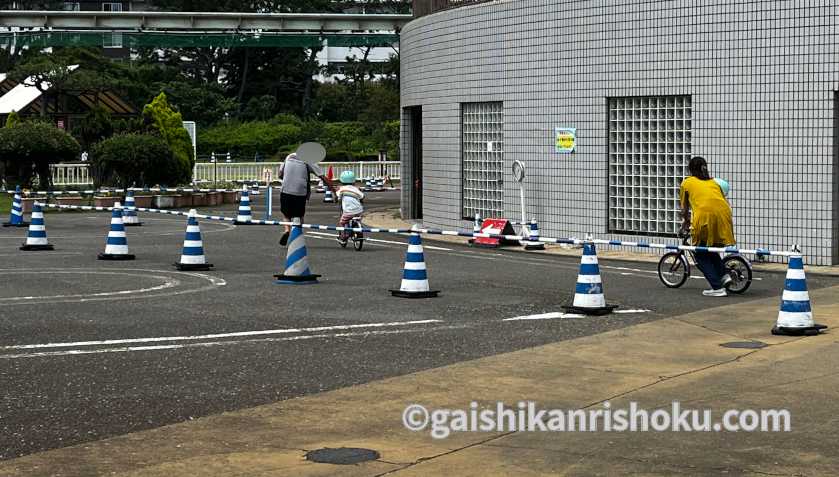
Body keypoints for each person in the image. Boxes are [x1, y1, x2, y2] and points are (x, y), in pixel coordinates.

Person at [679, 156, 736, 297]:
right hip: (724, 216)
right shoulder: (713, 182)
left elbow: (684, 209)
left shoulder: (687, 182)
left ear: (690, 169)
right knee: (709, 249)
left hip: (705, 217)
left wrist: (685, 224)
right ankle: (724, 276)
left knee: (700, 255)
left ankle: (717, 288)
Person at [278, 152, 334, 246]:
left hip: (286, 189)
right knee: (299, 215)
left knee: (286, 214)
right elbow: (322, 176)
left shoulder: (289, 156)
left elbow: (280, 174)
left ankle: (287, 230)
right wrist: (332, 189)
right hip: (300, 191)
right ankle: (297, 235)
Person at [335, 170, 365, 245]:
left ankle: (343, 236)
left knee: (342, 223)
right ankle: (357, 228)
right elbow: (362, 196)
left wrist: (337, 199)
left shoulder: (341, 189)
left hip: (348, 211)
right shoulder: (356, 189)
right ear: (353, 181)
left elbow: (338, 197)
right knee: (357, 217)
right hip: (359, 211)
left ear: (341, 180)